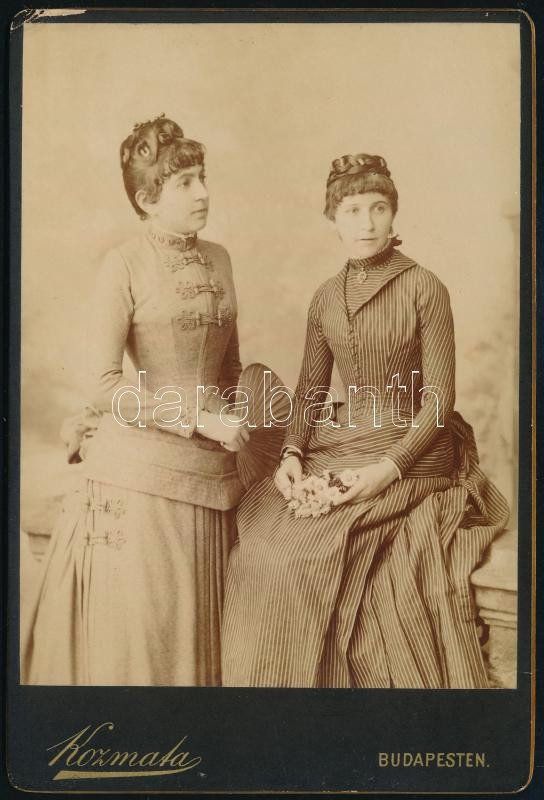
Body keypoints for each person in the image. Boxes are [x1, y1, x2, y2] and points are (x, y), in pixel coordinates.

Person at [221, 153, 509, 689]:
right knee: (261, 549)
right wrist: (291, 453)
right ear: (333, 218)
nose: (367, 223)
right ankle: (270, 706)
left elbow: (439, 400)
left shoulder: (425, 287)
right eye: (352, 210)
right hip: (343, 439)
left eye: (378, 208)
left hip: (415, 446)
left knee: (318, 552)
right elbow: (310, 391)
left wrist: (387, 470)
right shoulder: (326, 298)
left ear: (394, 213)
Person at [23, 114, 249, 686]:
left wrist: (246, 416)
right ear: (147, 201)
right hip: (144, 478)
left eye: (202, 178)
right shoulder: (123, 264)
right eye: (184, 183)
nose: (202, 192)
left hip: (218, 476)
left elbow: (230, 369)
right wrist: (197, 419)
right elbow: (102, 384)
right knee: (152, 649)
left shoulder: (220, 258)